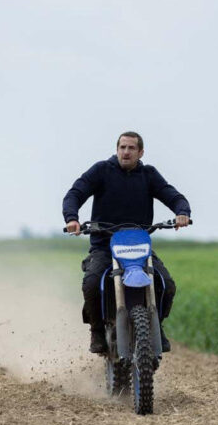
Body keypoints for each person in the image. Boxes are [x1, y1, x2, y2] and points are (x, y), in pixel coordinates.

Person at [62, 131, 191, 354]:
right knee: (91, 283)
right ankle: (97, 331)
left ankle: (156, 325)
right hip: (105, 246)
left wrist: (182, 212)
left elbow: (173, 195)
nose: (126, 152)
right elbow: (75, 193)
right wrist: (72, 218)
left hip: (139, 246)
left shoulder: (149, 175)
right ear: (117, 150)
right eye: (122, 147)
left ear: (141, 152)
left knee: (167, 285)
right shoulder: (101, 170)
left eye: (131, 148)